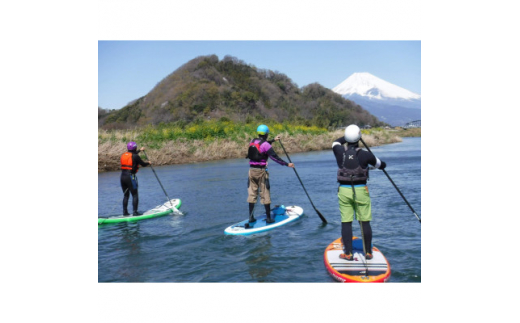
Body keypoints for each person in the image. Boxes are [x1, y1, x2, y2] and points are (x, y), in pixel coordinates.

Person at [332, 124, 386, 260]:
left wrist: (347, 137)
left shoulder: (339, 151)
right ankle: (368, 252)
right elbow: (380, 164)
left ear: (346, 138)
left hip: (344, 190)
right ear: (359, 137)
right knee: (364, 221)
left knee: (346, 221)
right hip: (361, 190)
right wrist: (382, 165)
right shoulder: (366, 155)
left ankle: (348, 253)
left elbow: (336, 142)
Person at [246, 124, 295, 225]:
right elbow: (274, 157)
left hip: (251, 171)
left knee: (252, 194)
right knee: (265, 194)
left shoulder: (252, 141)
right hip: (261, 172)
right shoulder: (266, 145)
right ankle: (268, 218)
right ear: (266, 134)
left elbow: (262, 145)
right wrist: (287, 164)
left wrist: (273, 140)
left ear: (259, 133)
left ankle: (251, 218)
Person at [120, 141, 152, 216]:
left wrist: (140, 150)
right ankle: (135, 212)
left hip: (122, 177)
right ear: (135, 147)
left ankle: (125, 212)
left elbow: (132, 155)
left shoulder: (124, 155)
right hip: (130, 177)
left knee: (126, 195)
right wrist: (148, 163)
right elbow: (143, 164)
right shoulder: (135, 156)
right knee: (135, 195)